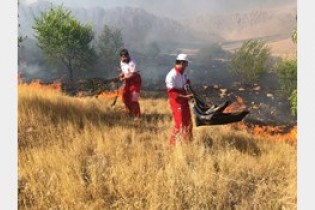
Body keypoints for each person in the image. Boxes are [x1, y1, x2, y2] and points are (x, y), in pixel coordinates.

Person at [165, 53, 194, 145]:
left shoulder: (183, 73)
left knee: (188, 123)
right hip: (176, 101)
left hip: (184, 99)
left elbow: (187, 81)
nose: (187, 66)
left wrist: (189, 86)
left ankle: (188, 143)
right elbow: (172, 93)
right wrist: (185, 97)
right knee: (179, 124)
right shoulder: (171, 75)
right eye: (186, 64)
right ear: (182, 63)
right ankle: (172, 145)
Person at [116, 49, 142, 118]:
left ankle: (137, 116)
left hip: (135, 82)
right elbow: (124, 71)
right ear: (120, 57)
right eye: (122, 57)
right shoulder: (122, 62)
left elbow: (132, 75)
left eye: (125, 57)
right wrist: (120, 75)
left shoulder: (132, 63)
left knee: (134, 100)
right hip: (128, 82)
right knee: (125, 97)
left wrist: (123, 78)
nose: (123, 59)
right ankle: (129, 112)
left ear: (128, 56)